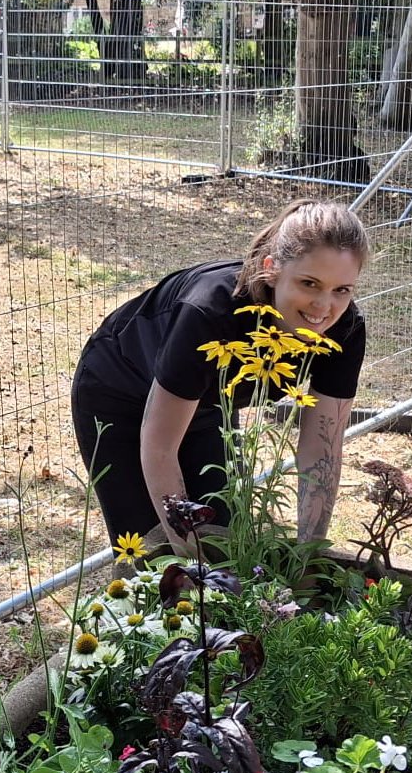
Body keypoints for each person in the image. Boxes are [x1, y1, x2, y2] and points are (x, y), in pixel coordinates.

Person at [71, 198, 369, 554]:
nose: (324, 307)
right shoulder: (209, 312)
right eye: (309, 283)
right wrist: (194, 564)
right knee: (155, 552)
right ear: (272, 269)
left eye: (342, 290)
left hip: (206, 404)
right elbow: (159, 444)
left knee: (224, 536)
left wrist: (308, 555)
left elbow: (322, 445)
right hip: (118, 396)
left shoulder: (345, 330)